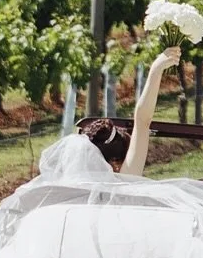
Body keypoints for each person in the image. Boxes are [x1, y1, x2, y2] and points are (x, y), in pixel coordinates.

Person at [77, 45, 179, 175]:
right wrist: (156, 69)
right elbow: (142, 121)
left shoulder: (71, 181)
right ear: (116, 163)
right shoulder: (126, 178)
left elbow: (142, 120)